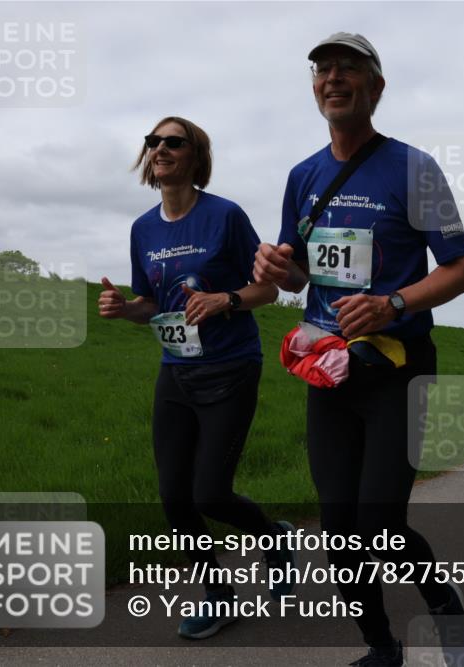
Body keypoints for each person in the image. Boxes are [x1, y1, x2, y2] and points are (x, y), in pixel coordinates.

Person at [252, 33, 464, 667]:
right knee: (339, 530)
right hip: (328, 370)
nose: (332, 78)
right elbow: (298, 277)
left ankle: (444, 609)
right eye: (323, 69)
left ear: (375, 87)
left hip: (396, 369)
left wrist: (394, 304)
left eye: (348, 69)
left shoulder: (416, 167)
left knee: (379, 523)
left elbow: (460, 270)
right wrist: (275, 268)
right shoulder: (302, 176)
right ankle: (382, 647)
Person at [97, 116, 295, 640]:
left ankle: (275, 538)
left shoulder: (225, 216)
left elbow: (269, 291)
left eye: (173, 142)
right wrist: (124, 309)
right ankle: (219, 596)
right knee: (174, 500)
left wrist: (225, 299)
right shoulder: (143, 228)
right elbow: (150, 306)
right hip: (176, 373)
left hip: (230, 368)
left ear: (195, 156)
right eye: (153, 142)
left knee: (210, 494)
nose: (160, 149)